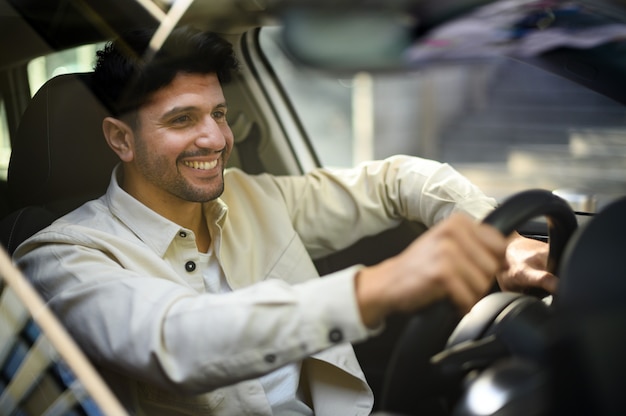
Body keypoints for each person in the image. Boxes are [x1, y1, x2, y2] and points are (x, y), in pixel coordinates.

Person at [13, 26, 553, 415]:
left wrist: (498, 239)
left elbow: (396, 181)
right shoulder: (58, 257)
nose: (217, 139)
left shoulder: (252, 197)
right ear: (120, 139)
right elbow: (177, 340)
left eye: (218, 114)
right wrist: (380, 288)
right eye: (183, 120)